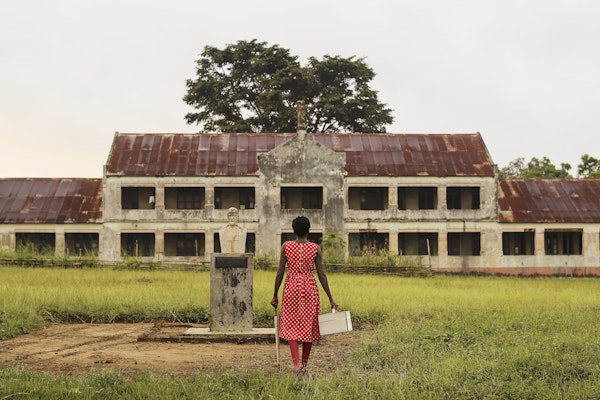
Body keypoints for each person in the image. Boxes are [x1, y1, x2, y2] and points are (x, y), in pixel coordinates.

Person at [271, 216, 338, 376]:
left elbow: (280, 272)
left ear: (293, 230)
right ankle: (304, 365)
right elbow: (321, 275)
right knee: (309, 325)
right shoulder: (315, 248)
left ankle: (296, 365)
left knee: (291, 324)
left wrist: (275, 295)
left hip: (291, 288)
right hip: (310, 289)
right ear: (308, 230)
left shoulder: (286, 246)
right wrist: (330, 298)